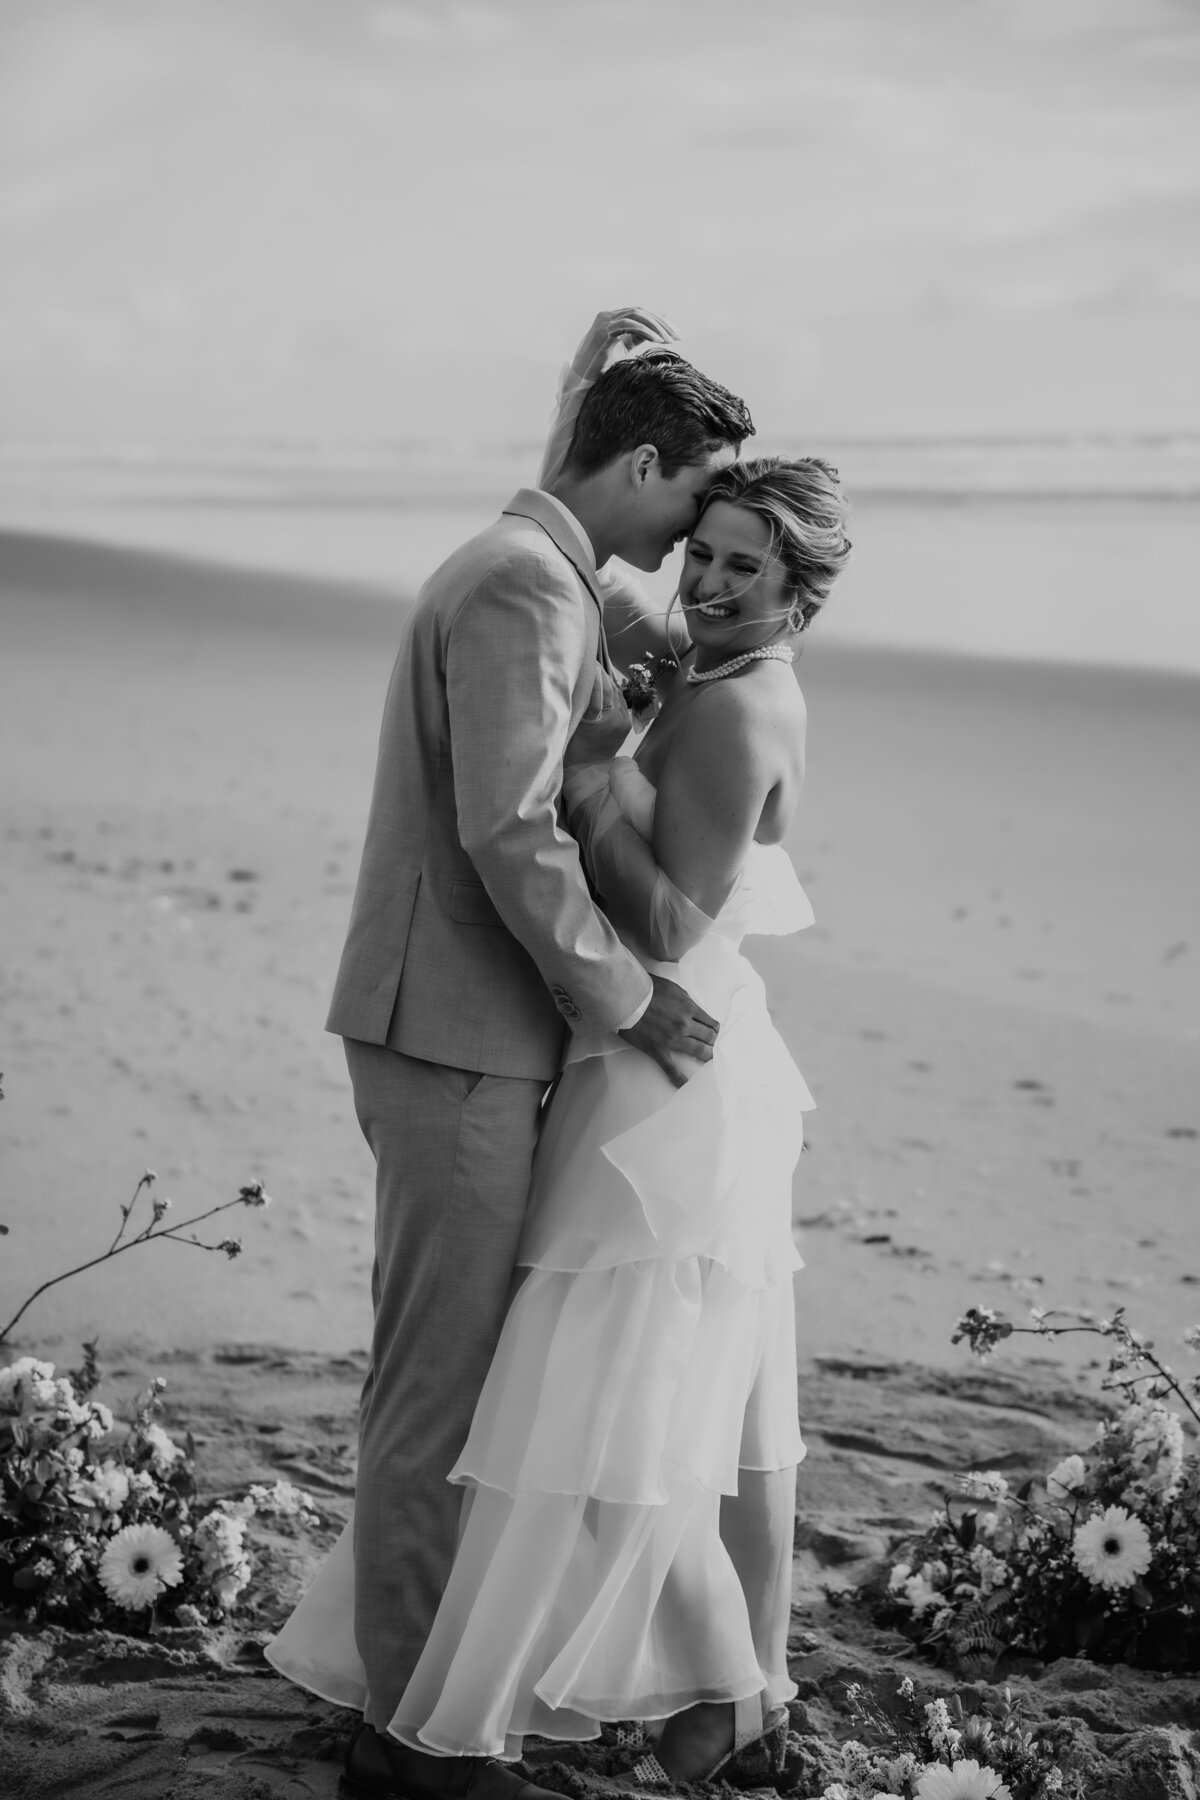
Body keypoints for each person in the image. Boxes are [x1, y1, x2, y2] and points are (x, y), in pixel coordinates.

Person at [268, 450, 852, 1792]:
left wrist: (590, 765)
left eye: (738, 565)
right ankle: (722, 1691)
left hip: (660, 1080)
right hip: (635, 1065)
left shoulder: (733, 710)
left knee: (605, 1401)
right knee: (625, 1393)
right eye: (698, 547)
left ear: (797, 585)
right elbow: (577, 550)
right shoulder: (707, 667)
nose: (700, 579)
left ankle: (717, 1687)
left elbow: (668, 921)